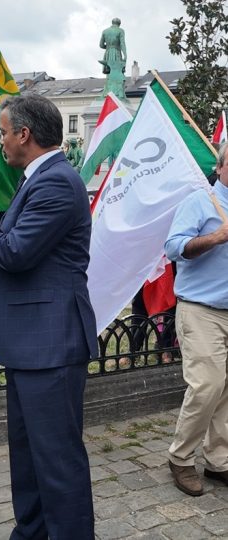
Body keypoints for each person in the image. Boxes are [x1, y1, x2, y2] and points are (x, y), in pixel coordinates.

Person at [0, 93, 97, 540]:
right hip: (33, 343)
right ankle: (31, 531)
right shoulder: (40, 178)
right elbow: (15, 236)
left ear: (24, 134)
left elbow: (15, 252)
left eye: (3, 132)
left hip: (50, 344)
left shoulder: (56, 182)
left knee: (56, 462)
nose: (0, 141)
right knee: (29, 455)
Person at [165, 141, 228, 496]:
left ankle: (219, 460)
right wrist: (216, 237)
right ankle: (181, 457)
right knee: (207, 385)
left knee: (226, 392)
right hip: (202, 310)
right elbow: (173, 247)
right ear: (219, 167)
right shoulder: (200, 202)